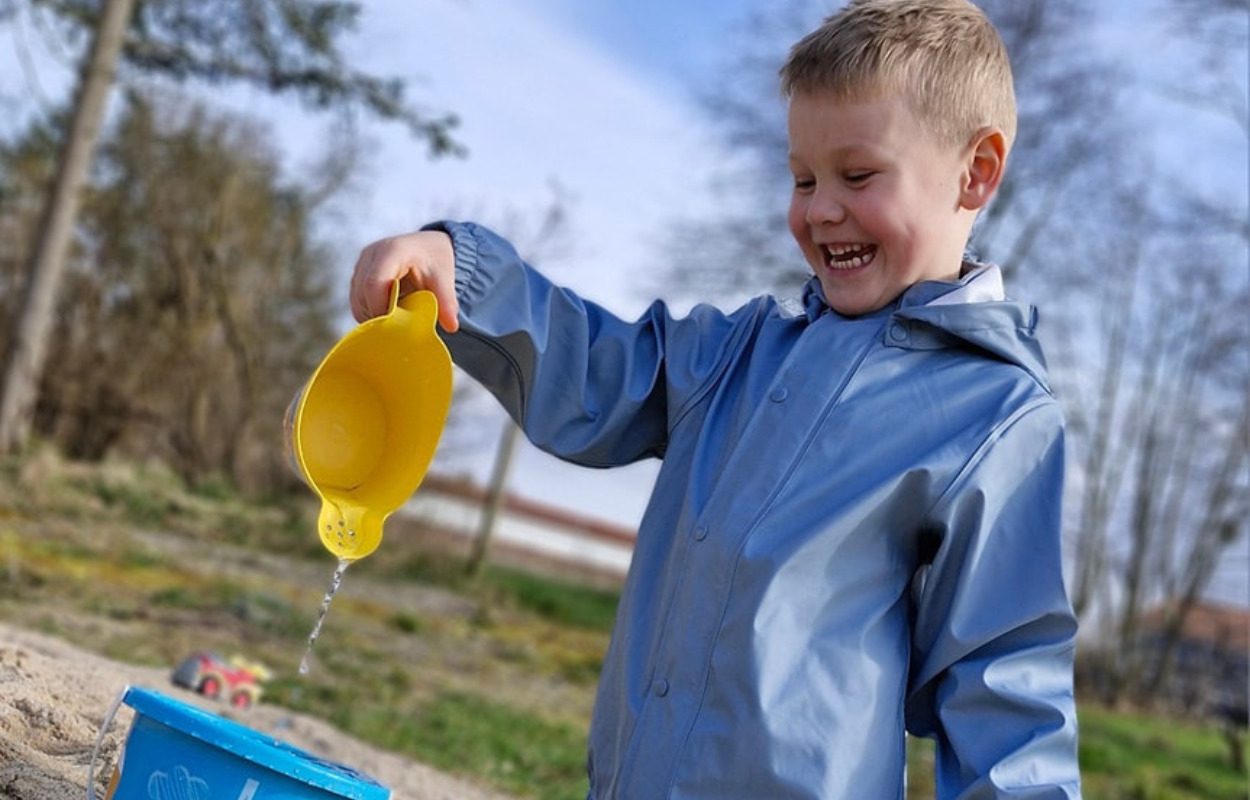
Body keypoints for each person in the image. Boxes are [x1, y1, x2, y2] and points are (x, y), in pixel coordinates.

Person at [347, 0, 1082, 797]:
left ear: (976, 172)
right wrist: (465, 270)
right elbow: (598, 371)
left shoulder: (997, 416)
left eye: (858, 174)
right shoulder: (739, 352)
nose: (820, 207)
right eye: (803, 178)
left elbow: (1004, 686)